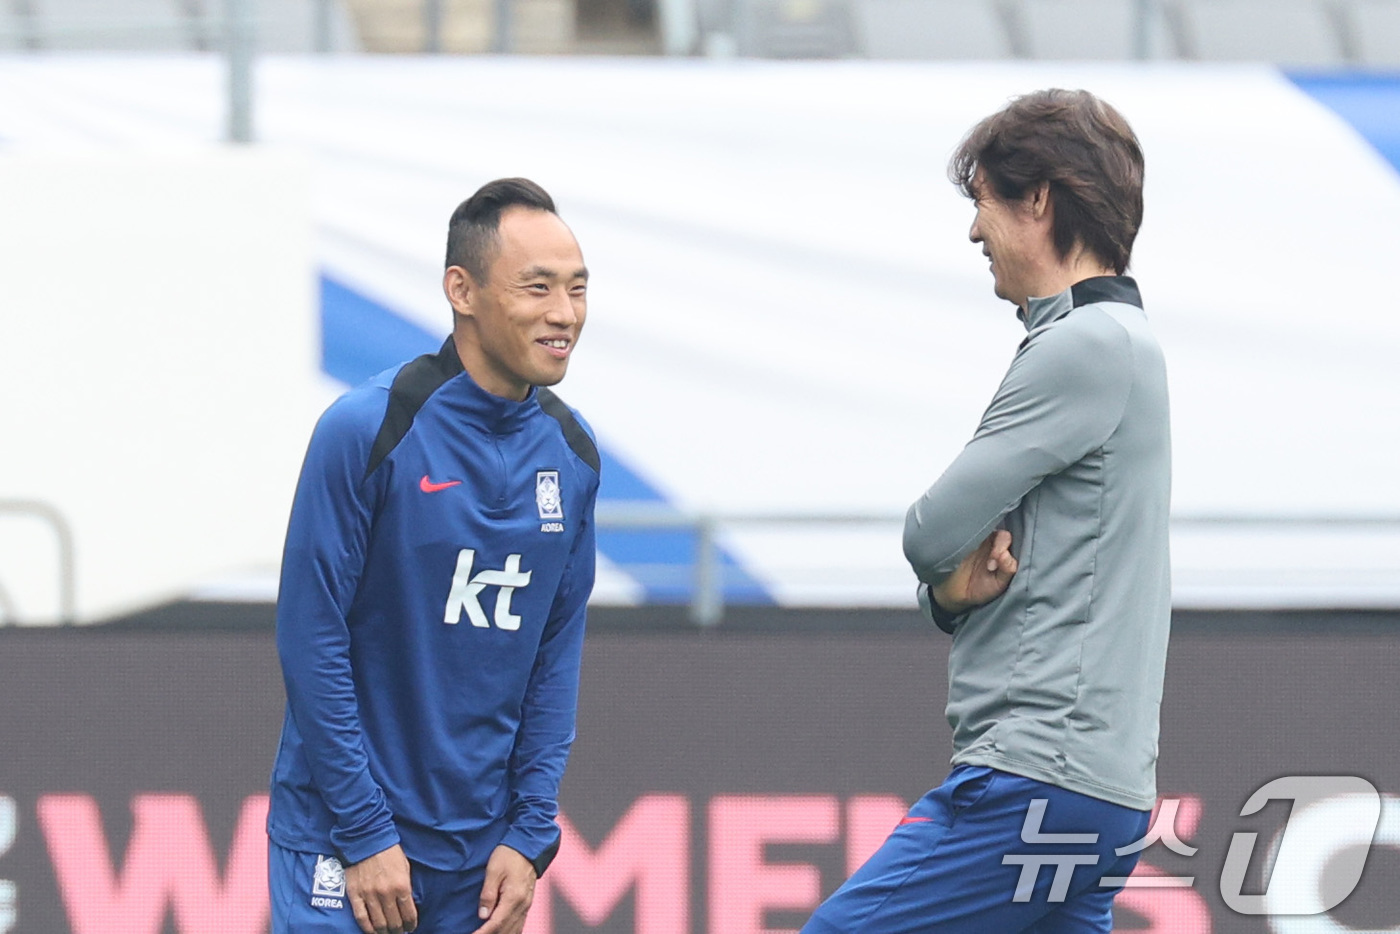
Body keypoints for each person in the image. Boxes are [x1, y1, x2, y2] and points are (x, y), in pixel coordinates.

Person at [803, 90, 1171, 933]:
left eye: (983, 203)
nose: (974, 231)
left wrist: (942, 589)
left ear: (1038, 200)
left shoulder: (1085, 344)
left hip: (1035, 781)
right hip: (1100, 795)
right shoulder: (1120, 341)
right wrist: (950, 595)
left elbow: (930, 531)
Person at [267, 177, 599, 934]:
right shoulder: (365, 429)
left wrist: (529, 833)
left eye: (578, 289)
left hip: (480, 866)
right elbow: (310, 639)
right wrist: (364, 832)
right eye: (537, 287)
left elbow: (553, 657)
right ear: (463, 289)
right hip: (345, 850)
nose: (565, 313)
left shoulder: (574, 456)